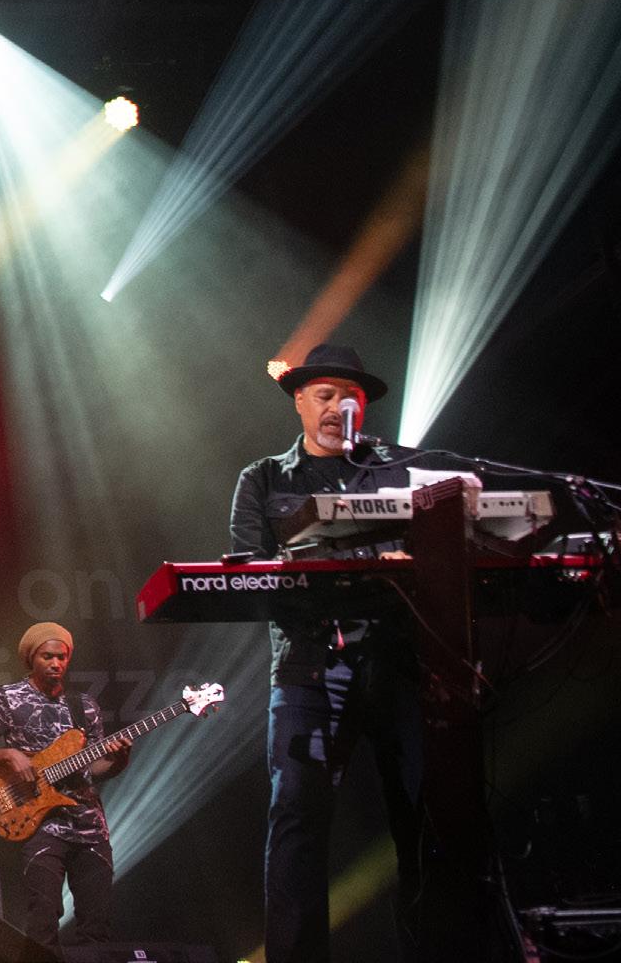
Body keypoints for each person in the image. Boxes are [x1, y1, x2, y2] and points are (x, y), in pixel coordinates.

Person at [228, 343, 421, 963]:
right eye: (325, 395)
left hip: (397, 660)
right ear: (300, 403)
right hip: (310, 666)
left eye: (351, 397)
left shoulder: (399, 473)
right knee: (298, 818)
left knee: (426, 815)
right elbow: (249, 575)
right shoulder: (263, 480)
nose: (339, 408)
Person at [0, 621, 131, 947]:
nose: (56, 663)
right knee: (43, 919)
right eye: (48, 657)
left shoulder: (84, 706)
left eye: (62, 657)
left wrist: (119, 759)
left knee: (97, 923)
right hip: (41, 823)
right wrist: (9, 754)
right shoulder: (6, 699)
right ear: (32, 658)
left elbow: (94, 768)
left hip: (89, 825)